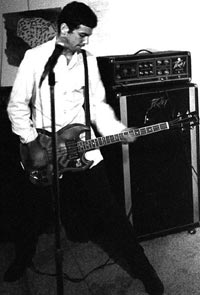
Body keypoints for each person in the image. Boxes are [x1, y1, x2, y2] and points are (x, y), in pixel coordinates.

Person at [6, 2, 164, 294]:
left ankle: (145, 272)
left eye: (88, 35)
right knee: (31, 212)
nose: (86, 40)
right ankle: (22, 258)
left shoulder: (88, 61)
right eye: (81, 34)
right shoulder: (35, 58)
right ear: (64, 29)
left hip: (83, 148)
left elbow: (97, 106)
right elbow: (16, 106)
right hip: (44, 148)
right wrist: (30, 141)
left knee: (112, 213)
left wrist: (118, 131)